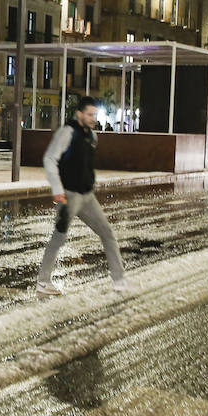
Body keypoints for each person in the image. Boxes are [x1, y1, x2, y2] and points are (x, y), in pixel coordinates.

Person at [36, 96, 127, 296]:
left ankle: (119, 280)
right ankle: (43, 282)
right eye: (89, 114)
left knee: (107, 234)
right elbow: (50, 159)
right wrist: (57, 190)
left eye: (95, 114)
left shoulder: (92, 136)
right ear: (79, 114)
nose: (93, 118)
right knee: (58, 238)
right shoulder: (67, 133)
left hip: (87, 196)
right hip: (68, 196)